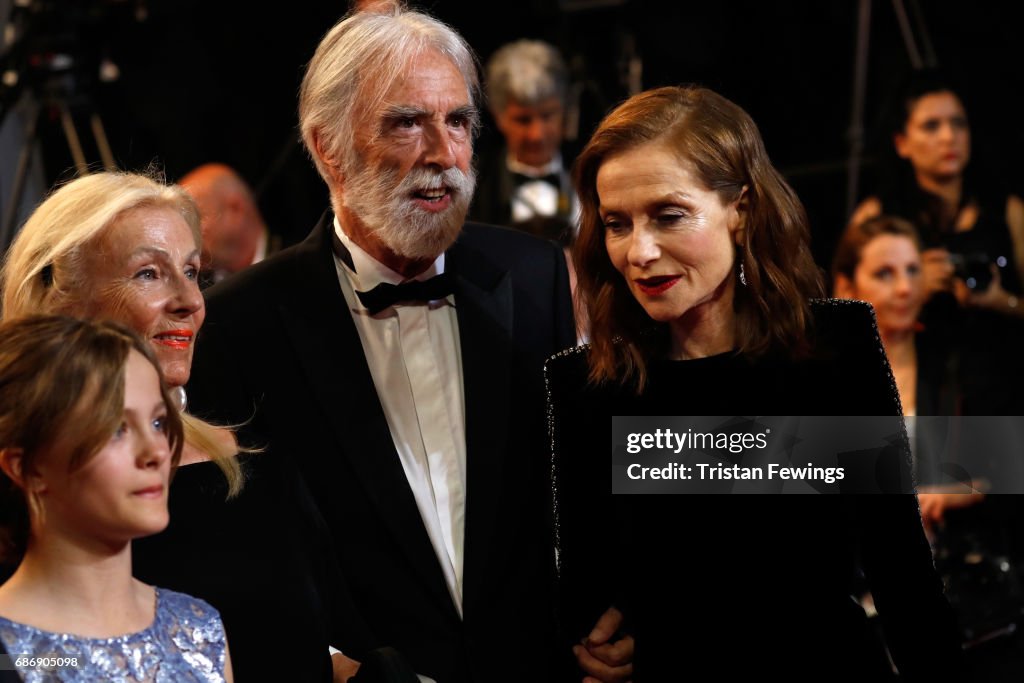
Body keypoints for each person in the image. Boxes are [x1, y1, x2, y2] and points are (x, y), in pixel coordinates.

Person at [185, 4, 581, 682]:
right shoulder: (238, 323)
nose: (444, 154)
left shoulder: (534, 275)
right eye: (407, 122)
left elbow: (567, 488)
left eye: (457, 121)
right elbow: (243, 559)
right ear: (327, 148)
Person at [547, 85, 967, 680]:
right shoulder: (587, 386)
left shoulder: (833, 348)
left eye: (669, 215)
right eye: (617, 223)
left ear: (740, 210)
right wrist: (588, 652)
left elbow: (900, 567)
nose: (639, 251)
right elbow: (584, 603)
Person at [0, 171, 363, 682]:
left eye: (193, 271)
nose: (190, 301)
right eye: (149, 272)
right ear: (62, 297)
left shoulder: (263, 467)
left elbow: (326, 640)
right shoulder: (30, 497)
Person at [0, 315, 231, 682]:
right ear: (29, 467)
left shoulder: (198, 630)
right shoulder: (10, 654)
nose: (156, 451)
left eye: (158, 423)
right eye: (115, 429)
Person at [850, 69, 1024, 415]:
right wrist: (913, 289)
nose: (949, 137)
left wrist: (998, 300)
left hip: (1002, 394)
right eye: (931, 126)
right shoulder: (878, 215)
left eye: (958, 124)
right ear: (902, 142)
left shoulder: (1006, 210)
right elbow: (845, 315)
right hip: (915, 394)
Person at [471, 39, 577, 243]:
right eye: (523, 120)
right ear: (498, 116)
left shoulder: (592, 171)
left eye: (547, 116)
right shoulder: (475, 185)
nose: (537, 135)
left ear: (564, 110)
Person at [179, 163, 277, 287]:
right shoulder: (194, 292)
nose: (185, 234)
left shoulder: (295, 262)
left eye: (196, 219)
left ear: (235, 209)